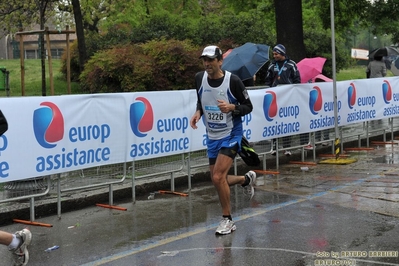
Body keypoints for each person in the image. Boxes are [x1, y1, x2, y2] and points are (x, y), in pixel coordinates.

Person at [190, 45, 257, 235]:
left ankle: (227, 220)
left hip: (231, 134)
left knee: (218, 177)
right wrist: (198, 111)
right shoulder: (199, 78)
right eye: (204, 59)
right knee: (217, 179)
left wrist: (232, 107)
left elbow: (248, 106)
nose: (207, 63)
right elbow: (201, 99)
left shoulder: (232, 81)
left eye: (211, 60)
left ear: (220, 61)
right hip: (212, 136)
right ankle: (246, 179)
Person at [265, 44, 303, 155]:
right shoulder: (272, 65)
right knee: (274, 122)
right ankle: (274, 147)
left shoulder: (291, 64)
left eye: (276, 54)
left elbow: (297, 80)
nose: (274, 56)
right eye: (273, 54)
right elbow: (267, 80)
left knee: (287, 122)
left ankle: (287, 148)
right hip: (275, 99)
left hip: (288, 99)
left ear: (282, 53)